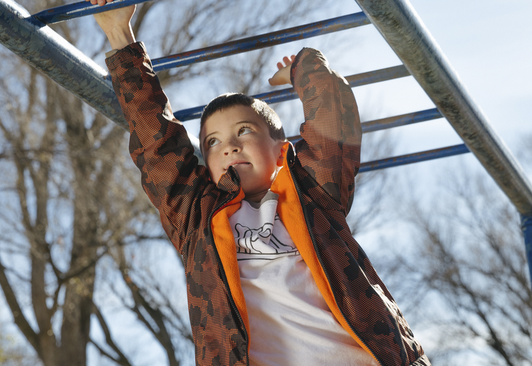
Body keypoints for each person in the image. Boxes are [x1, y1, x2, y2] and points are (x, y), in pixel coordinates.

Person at [89, 1, 429, 365]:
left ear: (281, 150)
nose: (229, 145)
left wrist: (306, 68)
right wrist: (120, 36)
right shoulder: (196, 216)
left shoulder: (314, 194)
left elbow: (334, 132)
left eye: (244, 131)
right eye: (212, 142)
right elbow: (156, 145)